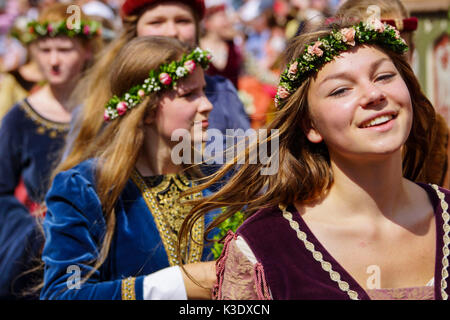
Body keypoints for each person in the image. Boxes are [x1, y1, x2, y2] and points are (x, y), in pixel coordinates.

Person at [178, 19, 450, 300]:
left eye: (383, 76)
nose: (373, 94)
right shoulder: (263, 250)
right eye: (341, 90)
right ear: (310, 125)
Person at [40, 36, 220, 300]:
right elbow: (65, 292)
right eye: (189, 94)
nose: (207, 105)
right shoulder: (86, 188)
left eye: (204, 91)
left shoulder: (217, 181)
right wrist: (175, 285)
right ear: (146, 110)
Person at [63, 0, 250, 165]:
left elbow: (250, 171)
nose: (171, 32)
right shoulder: (99, 105)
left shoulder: (222, 93)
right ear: (133, 32)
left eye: (182, 21)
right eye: (156, 22)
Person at [0, 3, 100, 299]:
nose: (54, 61)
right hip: (39, 251)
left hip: (99, 240)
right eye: (45, 50)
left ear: (87, 51)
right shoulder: (21, 117)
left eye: (65, 49)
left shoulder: (102, 111)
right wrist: (30, 229)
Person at [336, 0, 450, 189]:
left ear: (412, 55)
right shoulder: (307, 147)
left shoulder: (440, 144)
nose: (375, 92)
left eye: (396, 60)